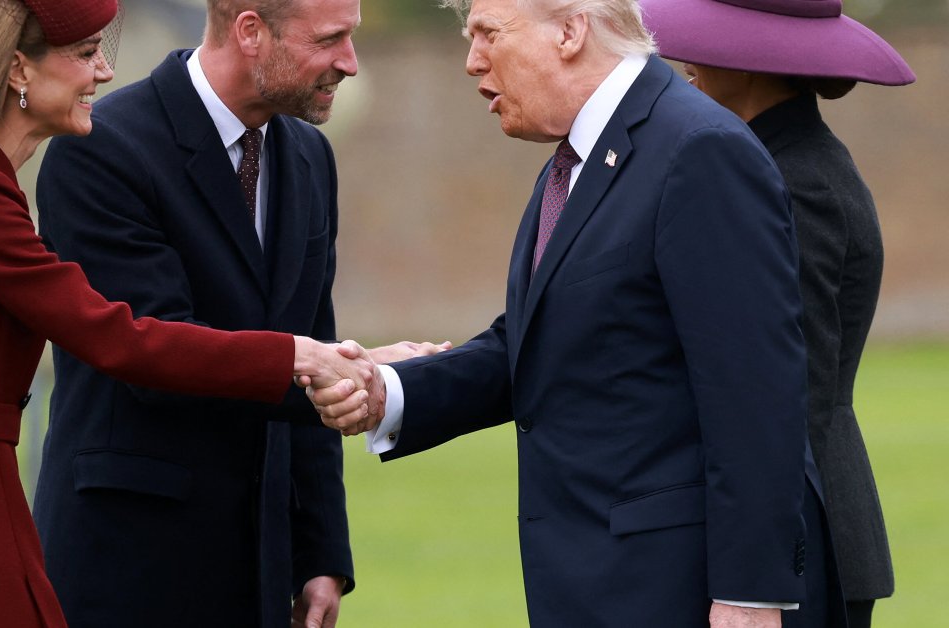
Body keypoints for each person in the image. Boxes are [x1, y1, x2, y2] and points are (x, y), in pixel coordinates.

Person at [0, 1, 372, 626]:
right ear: (18, 70)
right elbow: (121, 339)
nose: (102, 72)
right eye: (83, 55)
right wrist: (308, 359)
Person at [311, 0, 832, 626]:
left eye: (487, 34)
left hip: (683, 590)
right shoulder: (582, 155)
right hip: (602, 585)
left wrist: (750, 597)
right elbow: (536, 343)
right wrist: (388, 392)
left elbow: (755, 393)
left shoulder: (699, 149)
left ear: (569, 30)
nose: (472, 60)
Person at [31, 1, 445, 626]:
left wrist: (320, 553)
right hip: (130, 564)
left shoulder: (309, 156)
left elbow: (314, 341)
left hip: (263, 570)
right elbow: (152, 353)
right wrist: (341, 369)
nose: (350, 64)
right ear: (251, 32)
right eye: (330, 39)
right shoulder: (103, 146)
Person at [640, 1, 914, 626]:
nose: (687, 61)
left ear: (759, 62)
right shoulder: (774, 160)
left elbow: (776, 382)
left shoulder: (793, 179)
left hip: (803, 532)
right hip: (793, 524)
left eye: (710, 45)